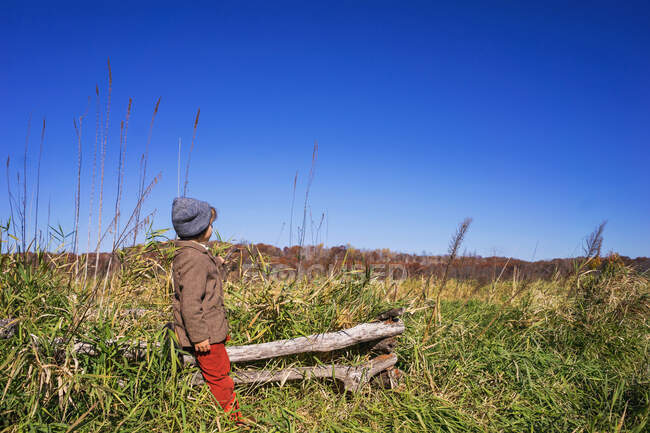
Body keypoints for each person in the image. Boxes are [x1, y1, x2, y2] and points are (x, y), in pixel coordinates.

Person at [170, 196, 243, 422]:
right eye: (210, 224)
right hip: (206, 335)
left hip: (210, 330)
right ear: (200, 229)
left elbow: (198, 274)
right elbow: (191, 302)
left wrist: (216, 262)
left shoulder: (193, 254)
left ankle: (227, 417)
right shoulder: (195, 259)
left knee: (220, 370)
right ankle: (234, 421)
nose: (212, 228)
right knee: (219, 377)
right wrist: (200, 336)